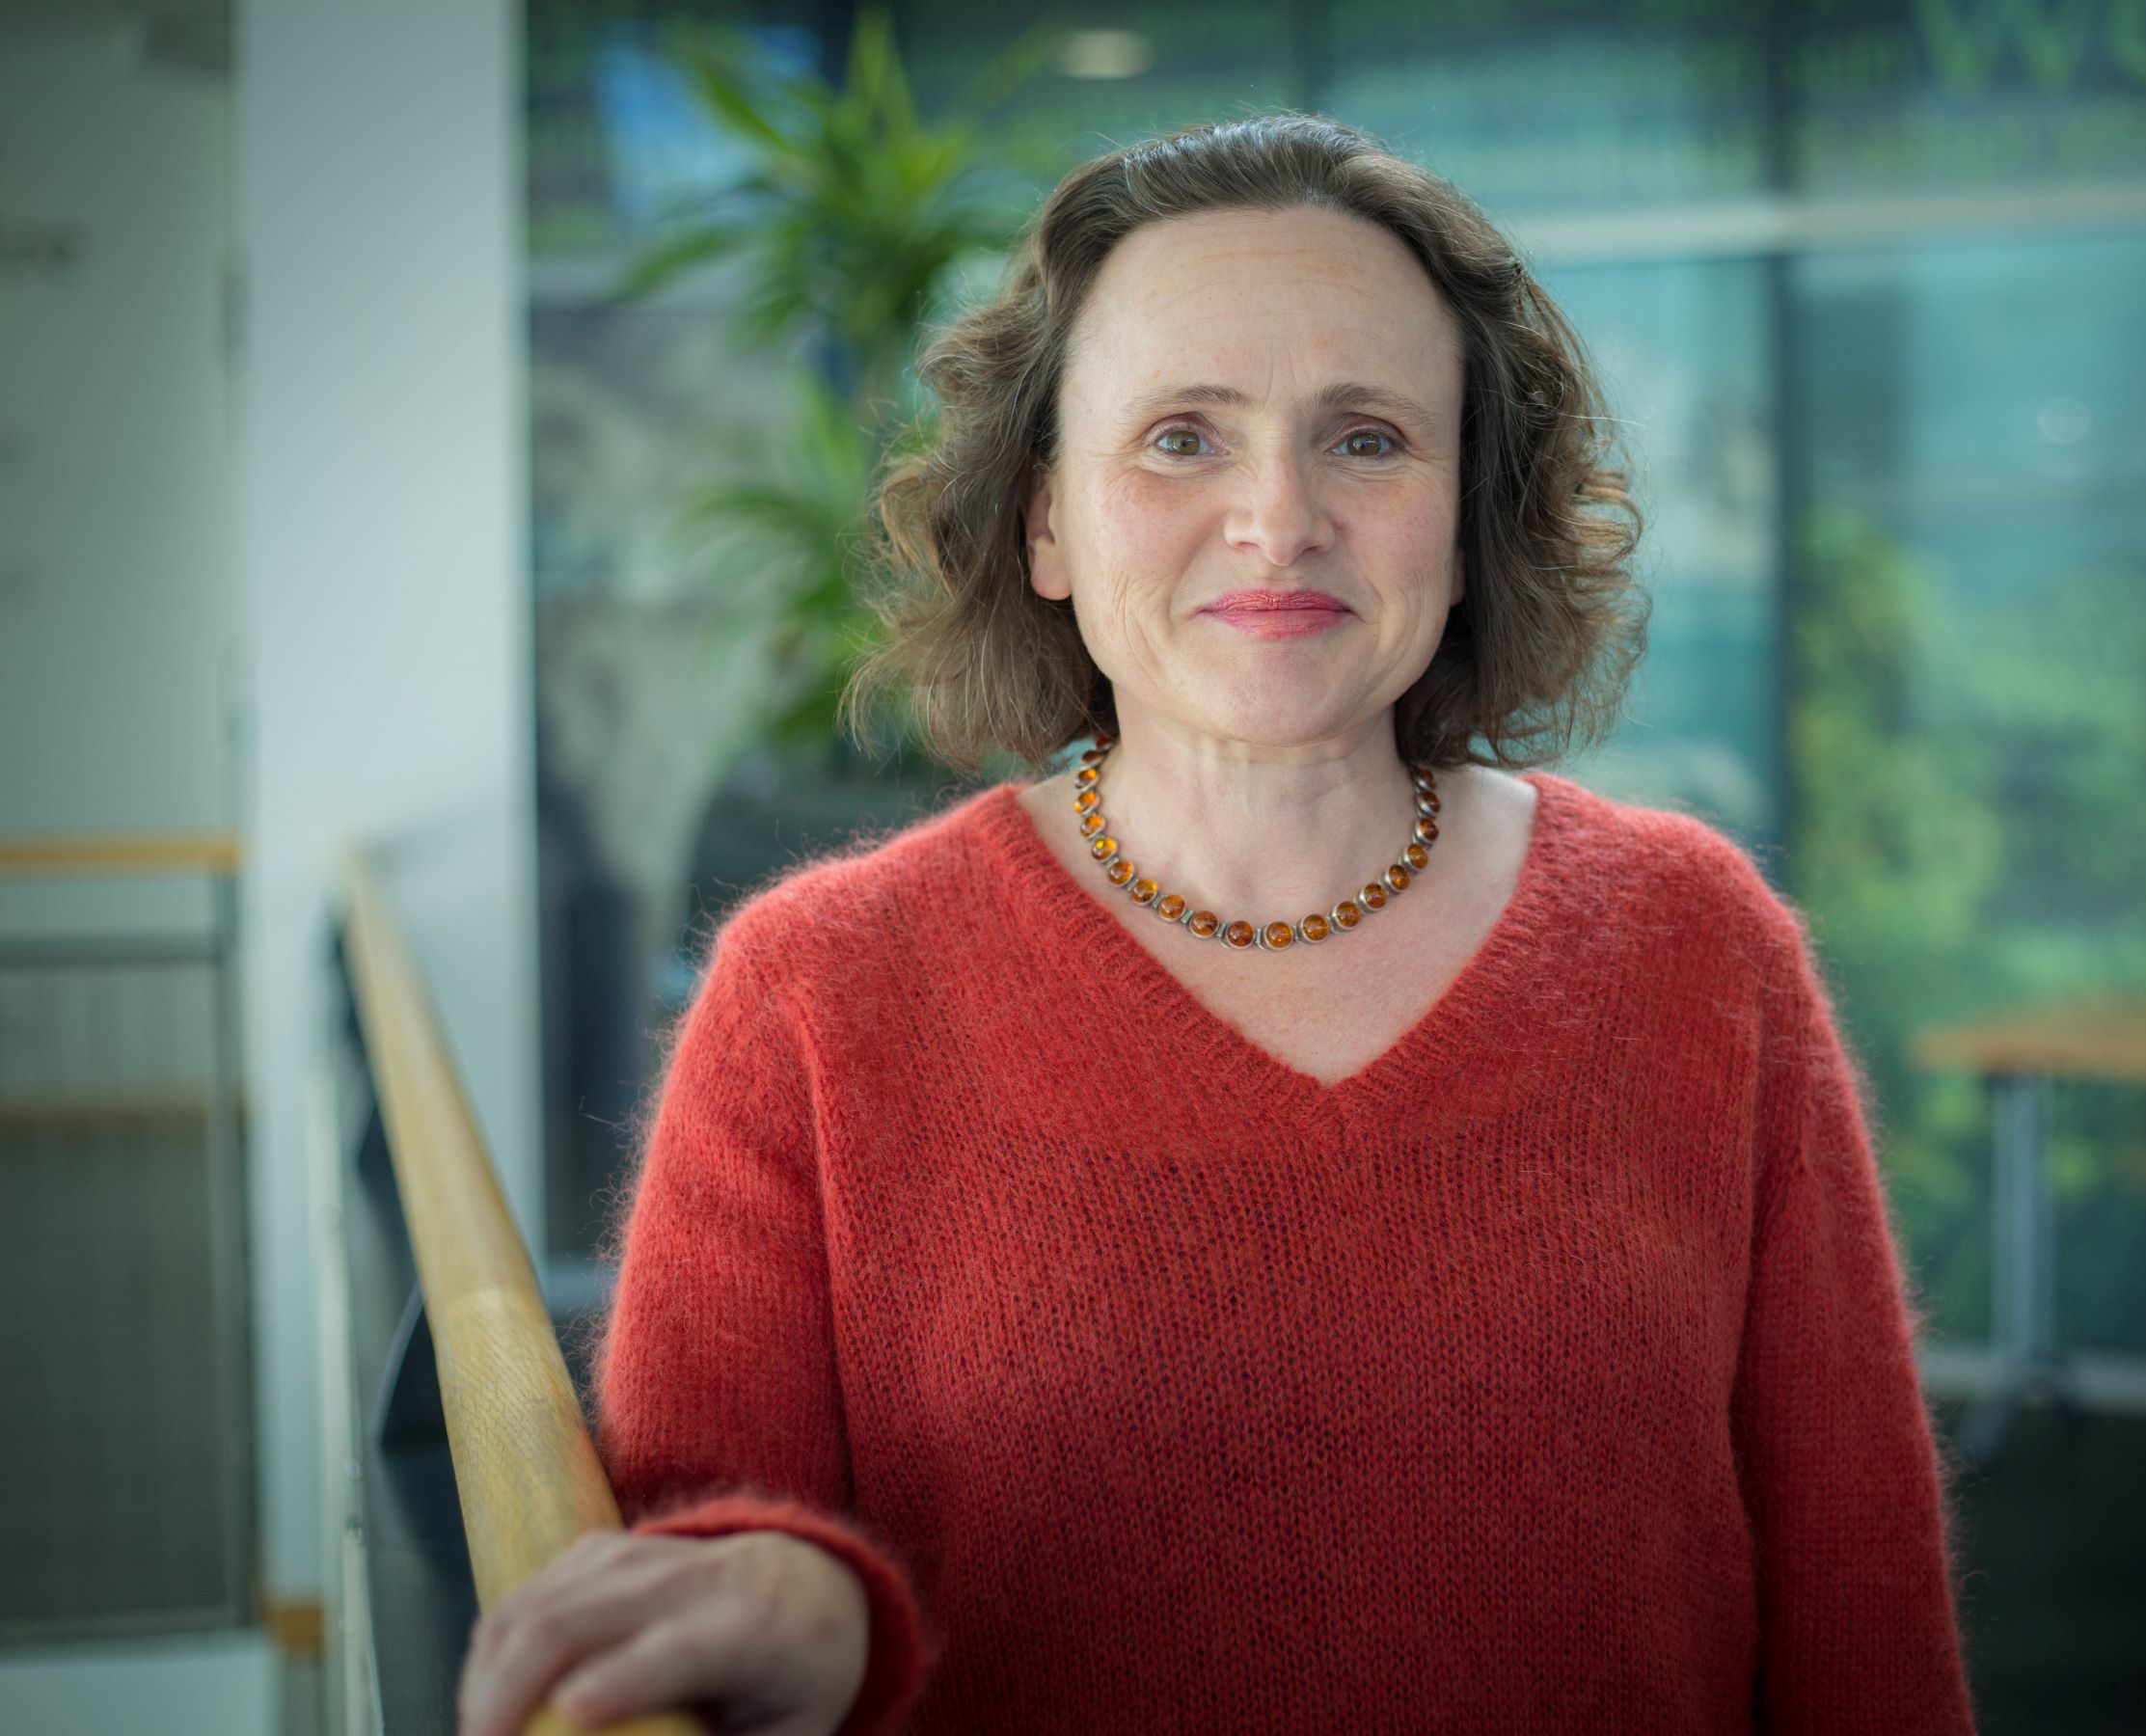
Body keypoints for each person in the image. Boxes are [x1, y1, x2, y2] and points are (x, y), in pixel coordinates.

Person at [455, 113, 1974, 1736]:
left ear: (1467, 518)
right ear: (1045, 522)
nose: (1278, 518)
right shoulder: (819, 995)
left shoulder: (1701, 948)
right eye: (1183, 437)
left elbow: (1863, 1609)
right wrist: (799, 1600)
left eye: (1369, 438)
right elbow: (707, 1550)